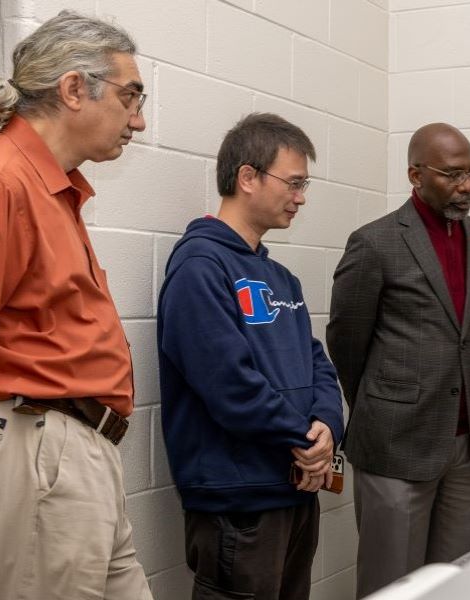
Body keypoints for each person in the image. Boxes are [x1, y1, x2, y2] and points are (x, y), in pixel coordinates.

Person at [0, 11, 151, 599]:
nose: (139, 121)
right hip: (31, 450)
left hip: (69, 456)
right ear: (74, 88)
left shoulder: (46, 188)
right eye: (130, 98)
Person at [157, 113, 344, 600]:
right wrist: (302, 438)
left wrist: (327, 425)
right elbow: (229, 385)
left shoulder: (281, 278)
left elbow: (316, 363)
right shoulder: (200, 266)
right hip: (238, 501)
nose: (301, 197)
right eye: (294, 182)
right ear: (247, 177)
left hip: (295, 488)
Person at [327, 122, 470, 598]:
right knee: (394, 586)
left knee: (463, 581)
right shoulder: (375, 242)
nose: (466, 186)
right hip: (395, 444)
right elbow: (346, 341)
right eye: (452, 174)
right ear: (415, 175)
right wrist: (383, 402)